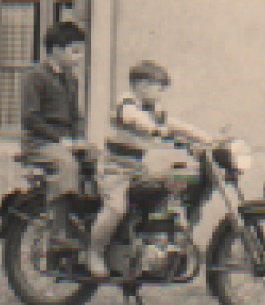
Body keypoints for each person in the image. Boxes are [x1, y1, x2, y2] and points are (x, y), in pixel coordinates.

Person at [85, 60, 213, 280]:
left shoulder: (153, 109)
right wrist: (156, 129)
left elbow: (176, 124)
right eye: (159, 86)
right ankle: (94, 252)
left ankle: (152, 248)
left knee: (165, 192)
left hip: (136, 168)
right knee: (116, 207)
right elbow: (135, 119)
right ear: (142, 86)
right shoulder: (126, 103)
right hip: (114, 169)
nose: (162, 91)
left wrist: (208, 138)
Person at [20, 20, 89, 247]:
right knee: (66, 164)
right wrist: (61, 140)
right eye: (74, 51)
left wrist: (79, 139)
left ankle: (86, 225)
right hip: (39, 142)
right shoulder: (35, 76)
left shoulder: (71, 79)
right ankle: (58, 233)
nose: (78, 57)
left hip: (65, 141)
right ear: (57, 49)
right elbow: (30, 118)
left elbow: (77, 115)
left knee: (97, 162)